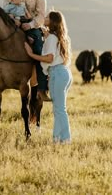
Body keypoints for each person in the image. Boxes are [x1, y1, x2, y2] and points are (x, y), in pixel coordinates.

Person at [24, 10, 72, 144]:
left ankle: (66, 138)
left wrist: (31, 54)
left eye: (47, 17)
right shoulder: (59, 37)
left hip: (56, 73)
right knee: (58, 109)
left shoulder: (52, 38)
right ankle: (57, 138)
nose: (44, 18)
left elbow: (49, 58)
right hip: (64, 72)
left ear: (52, 22)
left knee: (60, 109)